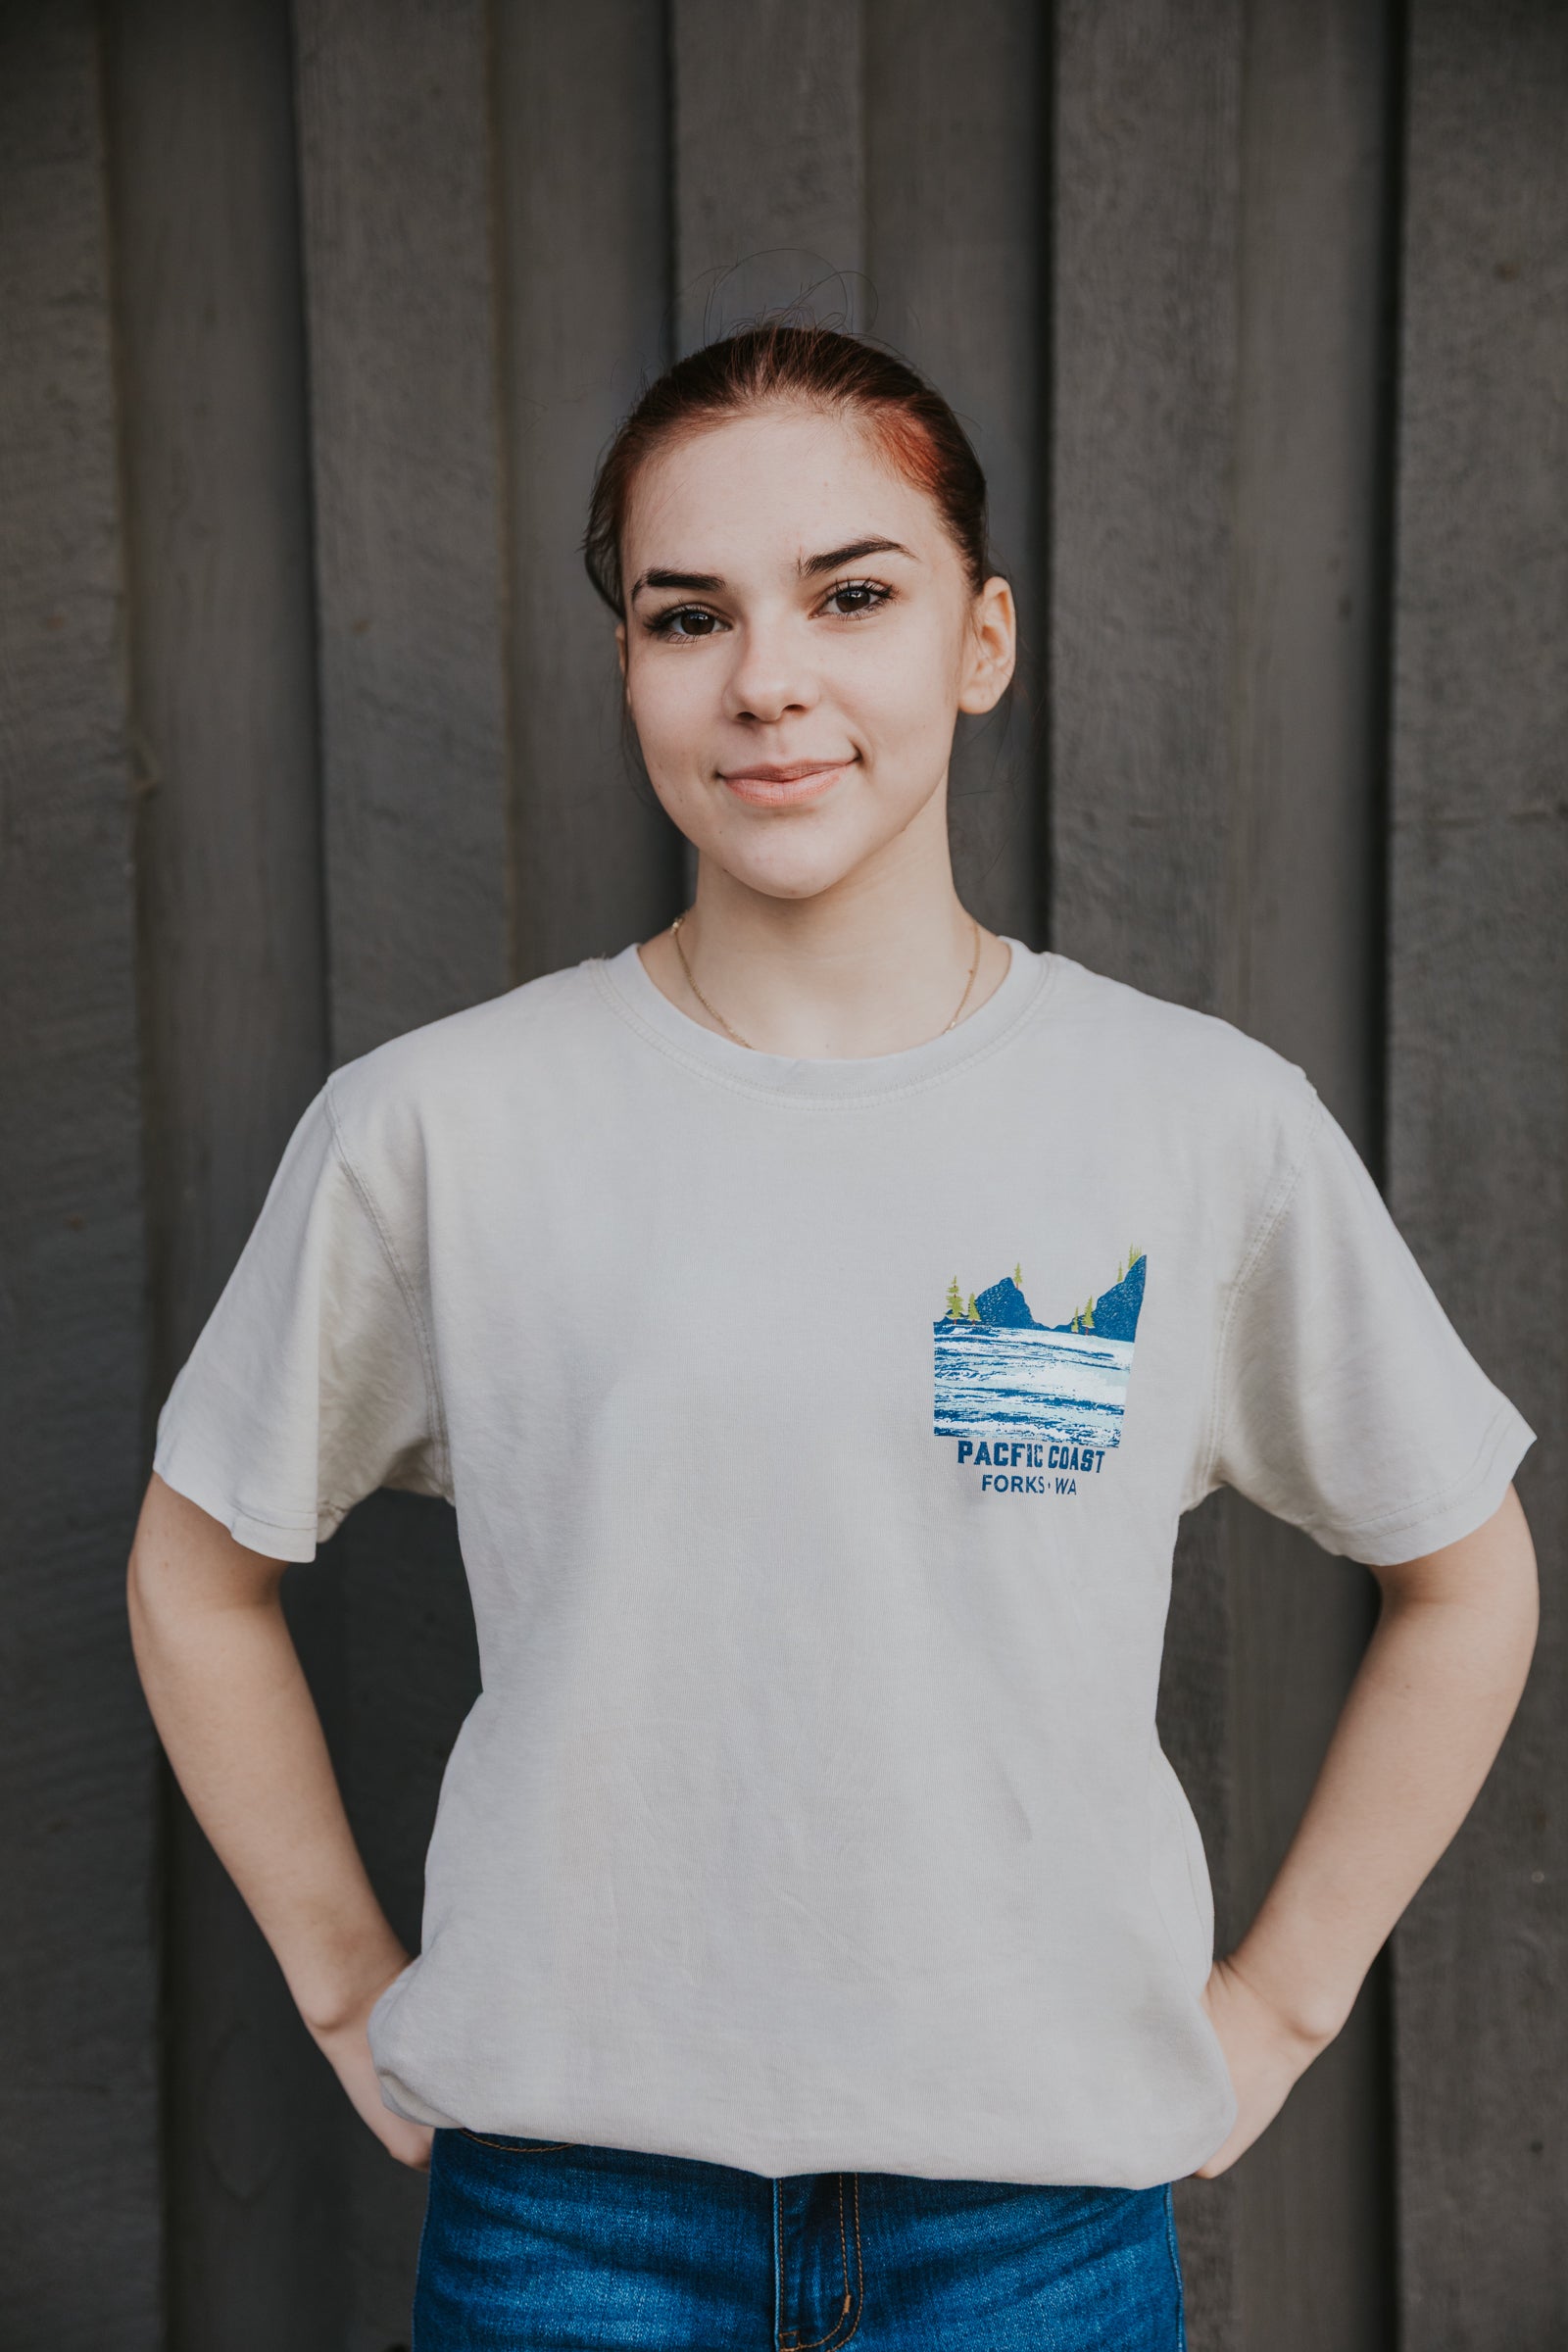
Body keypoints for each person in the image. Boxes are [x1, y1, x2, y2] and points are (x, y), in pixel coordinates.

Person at [127, 324, 1539, 2351]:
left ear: (982, 640)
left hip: (1035, 2234)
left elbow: (1465, 1574)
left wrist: (1282, 2006)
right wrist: (353, 1989)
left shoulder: (1194, 1122)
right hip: (571, 2233)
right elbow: (196, 1572)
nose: (765, 680)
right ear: (628, 666)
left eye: (850, 595)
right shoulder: (440, 1126)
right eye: (686, 614)